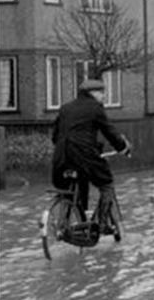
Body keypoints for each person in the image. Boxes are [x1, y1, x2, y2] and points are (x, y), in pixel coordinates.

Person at [51, 79, 130, 233]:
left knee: (70, 189)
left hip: (61, 156)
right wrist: (123, 147)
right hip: (84, 154)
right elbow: (109, 132)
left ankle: (67, 222)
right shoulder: (95, 108)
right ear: (92, 93)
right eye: (101, 92)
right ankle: (101, 223)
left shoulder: (65, 108)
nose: (104, 96)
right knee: (106, 183)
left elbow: (55, 136)